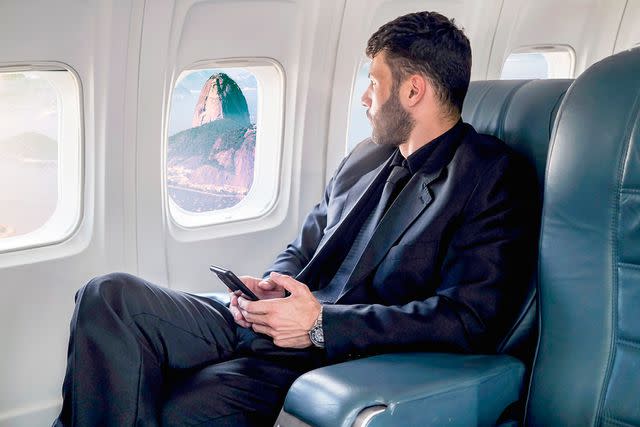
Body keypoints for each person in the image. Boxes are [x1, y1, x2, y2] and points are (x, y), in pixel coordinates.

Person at [53, 10, 538, 427]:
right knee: (107, 297)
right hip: (272, 322)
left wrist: (320, 324)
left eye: (374, 82)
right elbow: (305, 247)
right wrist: (269, 286)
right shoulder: (364, 158)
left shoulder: (489, 177)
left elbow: (467, 319)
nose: (365, 99)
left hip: (333, 352)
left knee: (175, 405)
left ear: (413, 91)